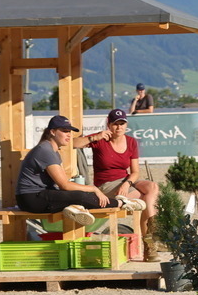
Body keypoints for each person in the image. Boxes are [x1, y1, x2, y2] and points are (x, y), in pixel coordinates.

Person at [15, 114, 146, 225]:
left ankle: (77, 207)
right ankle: (120, 203)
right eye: (65, 131)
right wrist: (94, 189)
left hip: (38, 196)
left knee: (80, 195)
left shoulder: (52, 150)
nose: (69, 135)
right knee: (81, 195)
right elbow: (64, 185)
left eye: (70, 132)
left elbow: (62, 184)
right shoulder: (45, 150)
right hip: (31, 198)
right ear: (53, 132)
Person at [75, 109, 160, 261]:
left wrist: (127, 184)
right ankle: (150, 246)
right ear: (109, 124)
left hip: (125, 182)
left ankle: (153, 224)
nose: (119, 127)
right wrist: (95, 136)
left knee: (152, 187)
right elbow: (73, 144)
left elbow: (135, 172)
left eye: (122, 124)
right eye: (115, 124)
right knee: (145, 199)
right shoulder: (100, 140)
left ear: (126, 125)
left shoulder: (131, 141)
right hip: (105, 185)